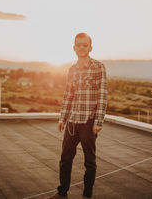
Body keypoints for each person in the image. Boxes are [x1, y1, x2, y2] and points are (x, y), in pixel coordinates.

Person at [48, 33, 108, 199]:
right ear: (74, 47)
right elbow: (68, 95)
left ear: (90, 47)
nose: (81, 48)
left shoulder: (98, 67)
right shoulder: (72, 69)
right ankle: (62, 193)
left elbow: (102, 95)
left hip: (89, 122)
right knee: (65, 159)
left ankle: (87, 195)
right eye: (78, 45)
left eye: (85, 45)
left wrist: (99, 121)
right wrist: (63, 118)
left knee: (89, 161)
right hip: (72, 122)